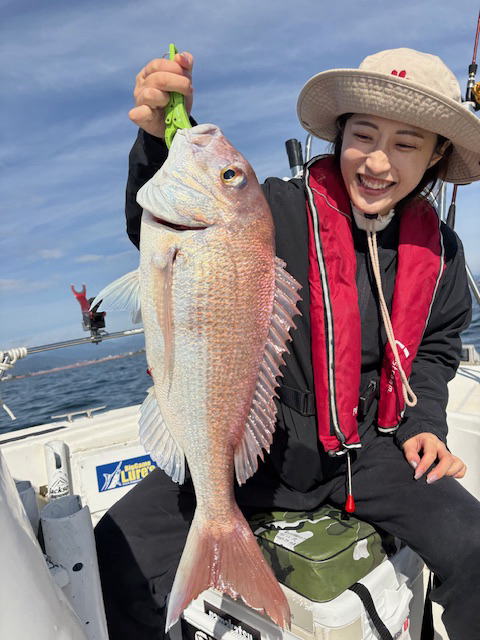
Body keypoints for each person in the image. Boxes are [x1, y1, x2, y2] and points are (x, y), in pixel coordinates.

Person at [95, 48, 480, 639]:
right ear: (339, 136)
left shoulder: (443, 255)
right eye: (364, 135)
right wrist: (158, 138)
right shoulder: (269, 209)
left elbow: (435, 349)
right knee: (113, 552)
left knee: (474, 544)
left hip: (367, 449)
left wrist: (424, 422)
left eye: (407, 144)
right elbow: (171, 227)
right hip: (254, 447)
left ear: (435, 156)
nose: (378, 161)